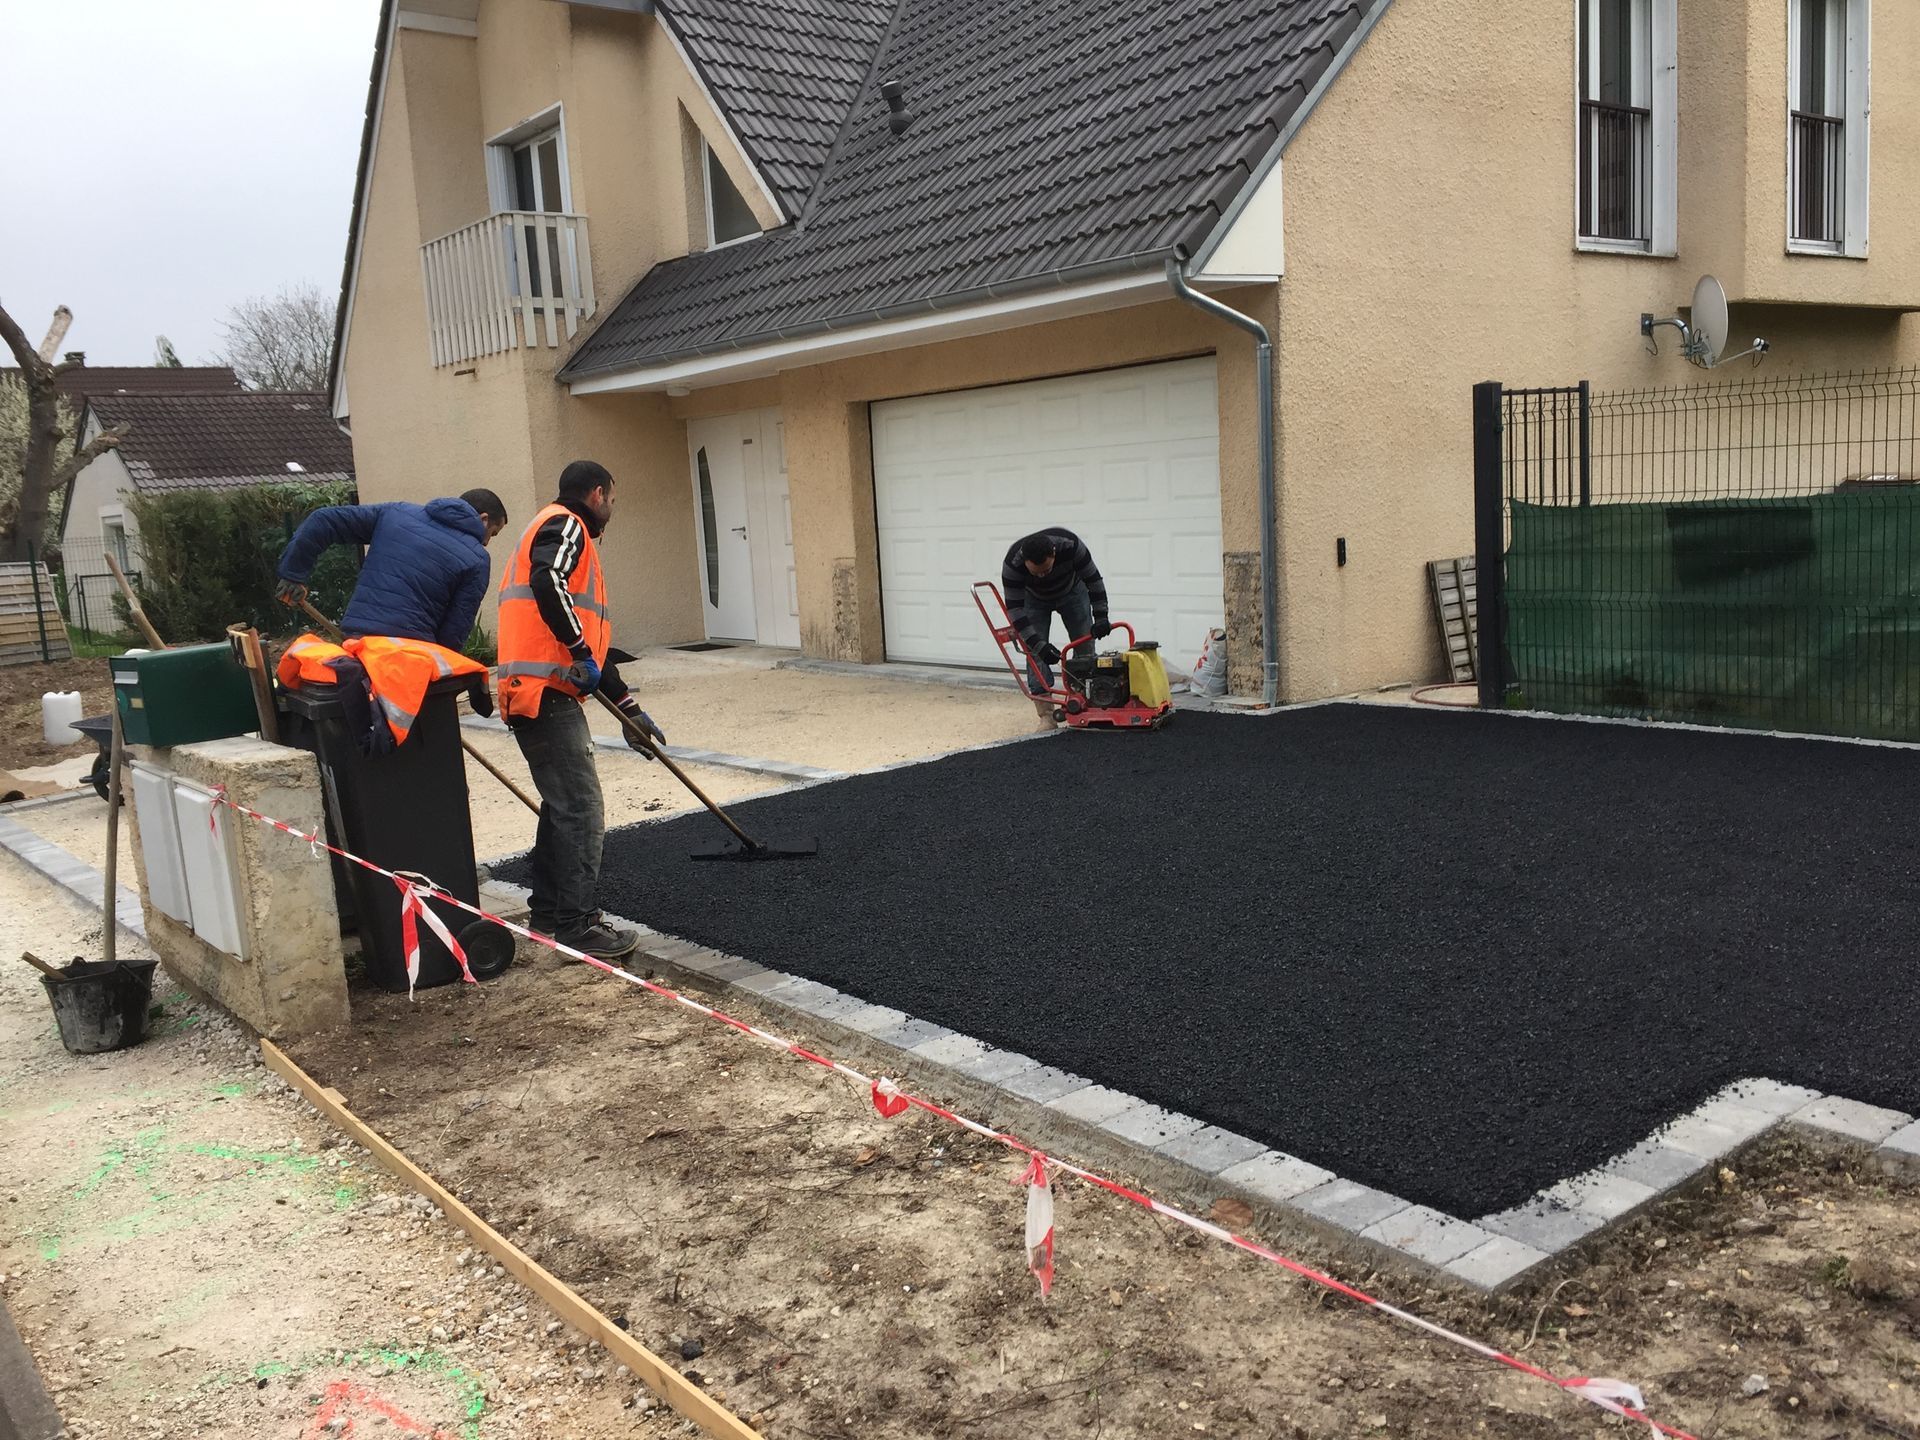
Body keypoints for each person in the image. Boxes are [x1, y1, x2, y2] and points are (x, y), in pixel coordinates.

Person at [495, 460, 665, 961]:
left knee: (562, 806)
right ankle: (577, 925)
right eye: (612, 497)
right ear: (596, 494)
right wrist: (579, 652)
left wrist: (628, 709)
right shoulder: (566, 525)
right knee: (582, 809)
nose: (612, 508)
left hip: (538, 691)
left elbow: (591, 646)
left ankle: (549, 911)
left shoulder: (556, 530)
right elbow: (550, 581)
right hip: (544, 693)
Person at [275, 489, 509, 652]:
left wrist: (293, 573)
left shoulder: (396, 513)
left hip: (359, 641)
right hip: (410, 653)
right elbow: (455, 628)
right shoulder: (477, 559)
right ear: (484, 519)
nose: (487, 542)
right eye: (493, 534)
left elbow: (324, 520)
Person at [1002, 528, 1111, 709]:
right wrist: (1039, 645)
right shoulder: (1013, 564)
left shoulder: (1071, 545)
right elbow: (1014, 609)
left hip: (1073, 591)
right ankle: (1045, 715)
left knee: (1084, 644)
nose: (1042, 576)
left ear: (1054, 552)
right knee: (1035, 653)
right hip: (1033, 599)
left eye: (1046, 570)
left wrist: (1101, 617)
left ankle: (1084, 703)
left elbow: (1094, 580)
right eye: (1036, 573)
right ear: (1025, 560)